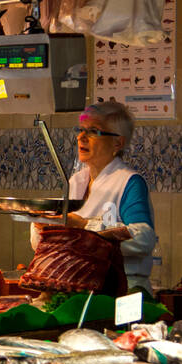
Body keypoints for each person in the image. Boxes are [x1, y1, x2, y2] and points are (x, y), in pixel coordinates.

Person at [53, 100, 158, 293]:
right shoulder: (76, 181)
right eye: (81, 129)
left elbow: (144, 237)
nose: (81, 137)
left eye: (93, 131)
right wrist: (44, 224)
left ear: (117, 142)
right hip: (80, 288)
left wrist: (86, 227)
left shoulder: (128, 182)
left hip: (123, 290)